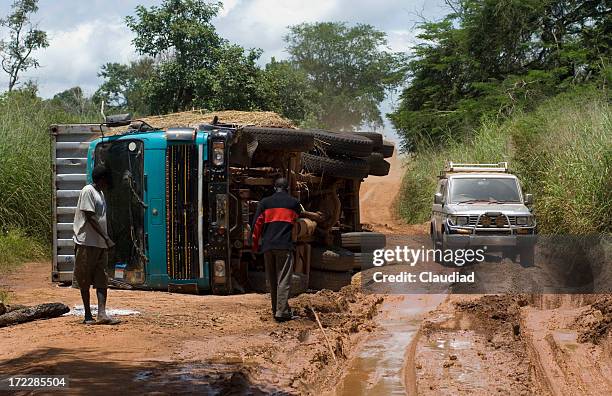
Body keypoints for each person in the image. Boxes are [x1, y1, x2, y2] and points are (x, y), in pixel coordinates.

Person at [251, 177, 312, 322]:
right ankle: (282, 311)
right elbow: (297, 222)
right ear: (287, 189)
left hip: (268, 246)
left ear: (274, 188)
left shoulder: (264, 203)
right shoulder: (294, 203)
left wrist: (254, 246)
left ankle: (276, 309)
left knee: (271, 280)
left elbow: (256, 226)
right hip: (284, 246)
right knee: (284, 279)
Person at [72, 166, 120, 325]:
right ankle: (87, 315)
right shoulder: (88, 191)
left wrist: (105, 239)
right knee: (84, 278)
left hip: (99, 244)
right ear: (102, 179)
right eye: (107, 179)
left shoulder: (100, 194)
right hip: (86, 242)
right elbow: (90, 217)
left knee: (102, 279)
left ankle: (102, 314)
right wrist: (106, 237)